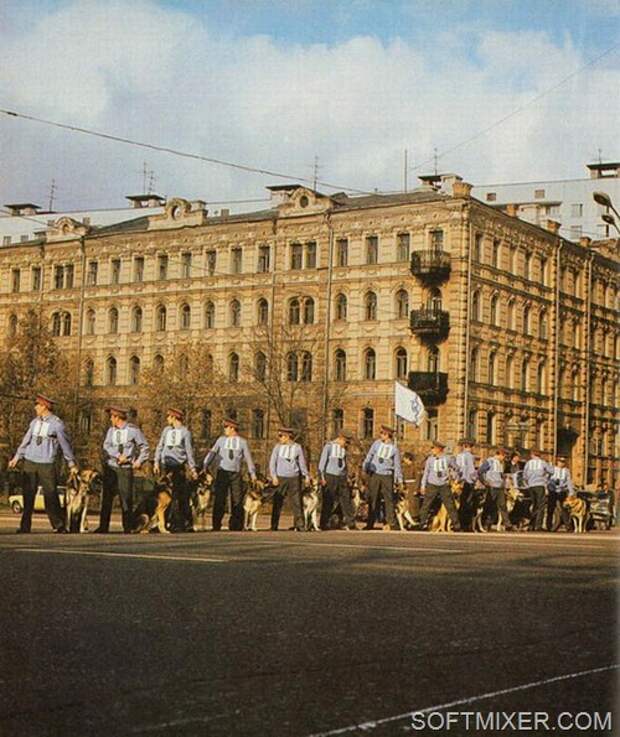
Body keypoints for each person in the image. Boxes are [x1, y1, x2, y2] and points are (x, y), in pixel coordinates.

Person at [8, 394, 77, 534]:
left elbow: (65, 445)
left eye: (37, 405)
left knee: (50, 494)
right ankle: (25, 526)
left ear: (45, 406)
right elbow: (26, 441)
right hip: (30, 461)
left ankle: (58, 525)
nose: (35, 408)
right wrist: (17, 457)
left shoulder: (57, 424)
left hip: (46, 463)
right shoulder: (34, 422)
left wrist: (71, 462)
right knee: (28, 495)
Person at [99, 406, 149, 533]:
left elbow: (144, 447)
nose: (110, 419)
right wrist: (117, 455)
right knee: (107, 498)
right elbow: (106, 446)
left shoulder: (133, 430)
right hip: (112, 466)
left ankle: (127, 526)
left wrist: (139, 461)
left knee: (126, 499)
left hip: (125, 468)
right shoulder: (111, 431)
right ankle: (103, 526)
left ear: (118, 418)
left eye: (112, 417)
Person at [203, 418, 256, 531]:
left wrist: (252, 473)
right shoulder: (221, 440)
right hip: (222, 472)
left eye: (226, 427)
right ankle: (216, 524)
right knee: (220, 498)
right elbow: (212, 452)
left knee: (237, 499)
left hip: (235, 473)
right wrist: (205, 464)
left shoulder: (242, 442)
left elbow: (248, 458)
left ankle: (236, 525)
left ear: (232, 428)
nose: (225, 429)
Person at [154, 408, 197, 532]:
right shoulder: (166, 430)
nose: (167, 419)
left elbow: (189, 451)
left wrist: (192, 468)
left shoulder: (185, 432)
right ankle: (162, 523)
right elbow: (160, 446)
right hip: (166, 465)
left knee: (178, 495)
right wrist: (156, 462)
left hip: (178, 466)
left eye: (169, 417)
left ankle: (180, 523)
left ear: (174, 417)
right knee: (163, 496)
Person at [269, 427, 309, 532]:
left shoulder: (297, 447)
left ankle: (300, 524)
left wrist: (306, 475)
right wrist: (274, 476)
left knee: (297, 501)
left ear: (287, 437)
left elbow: (302, 463)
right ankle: (274, 525)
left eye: (281, 436)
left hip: (294, 477)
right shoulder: (277, 447)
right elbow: (272, 462)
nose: (279, 438)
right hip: (280, 477)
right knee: (278, 501)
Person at [362, 425, 402, 530]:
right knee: (373, 498)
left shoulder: (394, 449)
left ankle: (391, 522)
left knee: (389, 499)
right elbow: (369, 455)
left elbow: (397, 465)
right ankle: (370, 522)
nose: (381, 435)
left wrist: (399, 479)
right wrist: (365, 465)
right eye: (380, 433)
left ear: (388, 435)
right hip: (375, 474)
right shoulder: (376, 444)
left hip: (387, 475)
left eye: (383, 433)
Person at [418, 440, 461, 531]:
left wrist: (455, 477)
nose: (432, 450)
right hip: (432, 484)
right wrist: (423, 485)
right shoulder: (430, 460)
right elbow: (426, 473)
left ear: (439, 449)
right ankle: (422, 523)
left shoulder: (448, 458)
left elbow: (457, 468)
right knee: (426, 504)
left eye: (433, 448)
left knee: (450, 505)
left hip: (443, 484)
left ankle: (456, 525)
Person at [318, 430, 356, 530]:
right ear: (340, 438)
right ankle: (324, 523)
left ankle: (350, 522)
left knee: (346, 499)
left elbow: (345, 463)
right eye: (346, 442)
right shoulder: (329, 446)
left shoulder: (344, 449)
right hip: (330, 475)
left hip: (341, 476)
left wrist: (347, 476)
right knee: (328, 500)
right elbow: (322, 463)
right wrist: (322, 477)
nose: (346, 444)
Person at [478, 447, 513, 531]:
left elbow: (500, 475)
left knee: (502, 506)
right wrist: (484, 482)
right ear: (499, 454)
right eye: (503, 456)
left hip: (499, 487)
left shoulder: (500, 464)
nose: (504, 458)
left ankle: (507, 524)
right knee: (489, 505)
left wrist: (504, 482)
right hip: (492, 486)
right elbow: (480, 471)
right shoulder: (489, 461)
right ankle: (486, 523)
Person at [522, 449, 553, 531]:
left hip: (531, 486)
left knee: (534, 505)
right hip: (540, 485)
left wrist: (528, 482)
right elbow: (552, 471)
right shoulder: (542, 462)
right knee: (541, 506)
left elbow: (524, 476)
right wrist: (547, 479)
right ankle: (538, 525)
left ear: (532, 455)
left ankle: (531, 525)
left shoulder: (528, 463)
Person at [546, 457, 574, 531]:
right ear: (557, 462)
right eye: (560, 461)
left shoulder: (566, 471)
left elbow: (569, 481)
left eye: (563, 462)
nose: (562, 463)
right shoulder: (552, 469)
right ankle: (549, 526)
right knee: (551, 508)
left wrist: (571, 492)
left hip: (562, 491)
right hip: (553, 491)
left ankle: (568, 526)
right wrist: (548, 487)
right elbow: (547, 479)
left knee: (564, 508)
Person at [455, 439, 477, 529]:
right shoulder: (470, 456)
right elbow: (471, 470)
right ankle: (466, 524)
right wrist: (475, 479)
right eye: (471, 447)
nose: (472, 449)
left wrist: (457, 480)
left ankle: (459, 522)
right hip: (468, 482)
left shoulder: (458, 456)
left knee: (461, 502)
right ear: (468, 447)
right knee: (468, 503)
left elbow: (457, 470)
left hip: (460, 483)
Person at [401, 452, 422, 527]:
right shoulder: (404, 467)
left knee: (413, 504)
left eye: (405, 458)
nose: (404, 460)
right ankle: (407, 521)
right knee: (406, 505)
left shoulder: (415, 466)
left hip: (413, 487)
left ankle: (415, 520)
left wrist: (416, 489)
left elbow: (418, 478)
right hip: (406, 487)